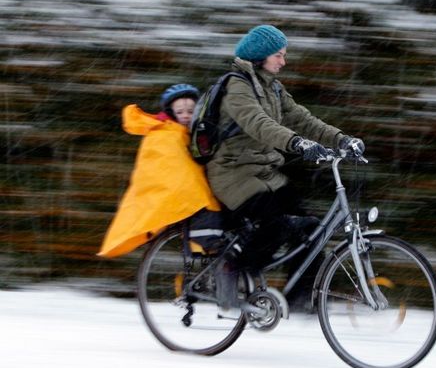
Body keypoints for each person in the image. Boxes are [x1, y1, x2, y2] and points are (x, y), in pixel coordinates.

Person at [206, 24, 364, 311]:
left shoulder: (274, 88)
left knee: (312, 231)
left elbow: (303, 119)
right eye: (279, 55)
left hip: (265, 173)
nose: (283, 61)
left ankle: (297, 298)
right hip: (233, 174)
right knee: (276, 226)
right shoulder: (237, 86)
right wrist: (297, 144)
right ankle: (231, 270)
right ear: (261, 56)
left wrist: (342, 139)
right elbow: (259, 124)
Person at [98, 84, 224, 258]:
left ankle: (208, 250)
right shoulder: (164, 133)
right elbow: (169, 165)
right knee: (202, 201)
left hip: (179, 184)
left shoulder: (188, 131)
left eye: (190, 111)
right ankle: (208, 245)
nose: (186, 116)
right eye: (180, 112)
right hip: (175, 186)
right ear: (171, 112)